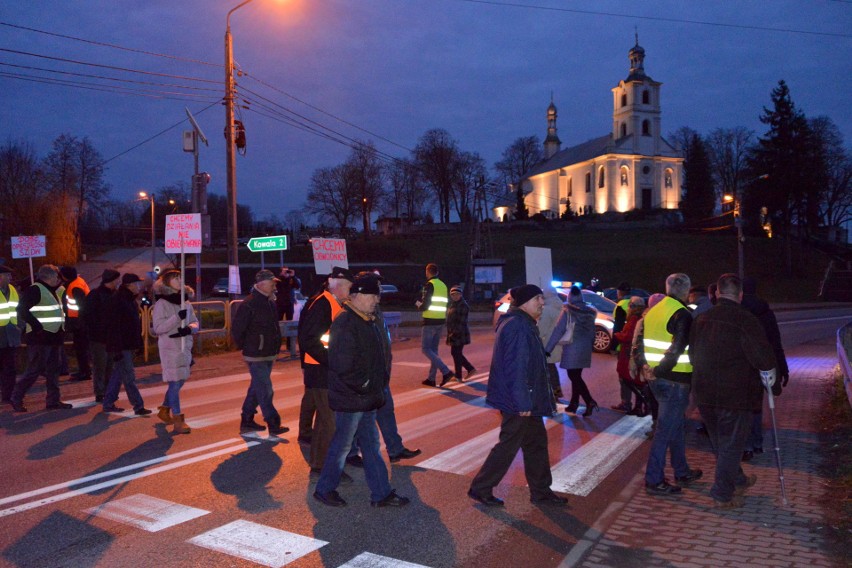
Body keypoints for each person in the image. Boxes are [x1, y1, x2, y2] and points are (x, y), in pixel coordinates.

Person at [314, 272, 411, 508]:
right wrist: (367, 385)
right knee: (343, 445)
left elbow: (379, 356)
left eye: (377, 296)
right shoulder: (346, 323)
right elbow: (343, 365)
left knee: (370, 445)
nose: (376, 300)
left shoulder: (368, 319)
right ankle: (324, 489)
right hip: (352, 397)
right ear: (356, 296)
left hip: (367, 397)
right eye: (372, 295)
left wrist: (377, 384)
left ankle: (381, 494)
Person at [468, 284, 567, 508]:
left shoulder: (523, 323)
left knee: (536, 444)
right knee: (509, 445)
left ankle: (541, 492)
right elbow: (516, 367)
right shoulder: (518, 327)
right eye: (537, 299)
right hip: (520, 400)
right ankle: (481, 488)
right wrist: (523, 401)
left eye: (542, 299)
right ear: (523, 302)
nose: (542, 304)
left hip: (526, 398)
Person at [690, 273, 777, 509]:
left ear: (717, 293)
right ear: (739, 295)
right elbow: (762, 356)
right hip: (736, 395)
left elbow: (692, 355)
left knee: (721, 442)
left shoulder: (701, 319)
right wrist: (773, 382)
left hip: (705, 393)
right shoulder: (746, 320)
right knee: (731, 445)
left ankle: (738, 479)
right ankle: (721, 493)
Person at [346, 272, 422, 467]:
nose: (378, 293)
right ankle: (351, 453)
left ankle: (395, 449)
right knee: (360, 419)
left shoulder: (375, 309)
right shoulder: (356, 312)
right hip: (368, 377)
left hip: (381, 372)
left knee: (386, 410)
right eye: (375, 289)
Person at [639, 273, 702, 496]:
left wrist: (646, 367)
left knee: (675, 427)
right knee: (665, 430)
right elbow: (676, 350)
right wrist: (658, 370)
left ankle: (682, 471)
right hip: (674, 380)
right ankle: (654, 480)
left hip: (658, 380)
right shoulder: (682, 314)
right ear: (686, 291)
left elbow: (641, 342)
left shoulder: (654, 310)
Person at [297, 266, 355, 478]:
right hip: (321, 371)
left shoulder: (332, 302)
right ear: (339, 287)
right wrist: (333, 361)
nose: (352, 293)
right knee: (331, 424)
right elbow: (309, 340)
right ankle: (329, 469)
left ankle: (320, 466)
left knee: (324, 423)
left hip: (323, 370)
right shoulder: (323, 304)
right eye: (350, 288)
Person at [231, 269, 288, 435]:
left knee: (257, 388)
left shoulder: (269, 301)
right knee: (266, 389)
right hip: (255, 354)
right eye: (272, 283)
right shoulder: (249, 303)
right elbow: (237, 329)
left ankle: (247, 419)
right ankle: (273, 422)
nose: (274, 286)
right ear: (261, 284)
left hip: (268, 352)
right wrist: (248, 346)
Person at [10, 264, 72, 412]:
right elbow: (22, 309)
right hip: (40, 338)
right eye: (57, 276)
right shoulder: (36, 289)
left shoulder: (52, 290)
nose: (58, 279)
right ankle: (16, 397)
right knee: (34, 370)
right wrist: (36, 326)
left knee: (53, 370)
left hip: (54, 337)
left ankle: (53, 401)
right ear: (49, 276)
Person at [740, 277, 789, 461]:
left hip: (742, 364)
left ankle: (746, 446)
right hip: (763, 364)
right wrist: (783, 368)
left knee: (742, 405)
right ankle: (757, 442)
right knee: (756, 404)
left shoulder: (738, 311)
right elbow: (776, 342)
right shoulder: (765, 311)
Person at [151, 270, 198, 434]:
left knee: (179, 381)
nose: (179, 280)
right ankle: (178, 420)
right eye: (174, 278)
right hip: (170, 349)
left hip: (185, 346)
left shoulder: (186, 302)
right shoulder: (161, 304)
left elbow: (195, 322)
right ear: (166, 283)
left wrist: (190, 330)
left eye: (180, 277)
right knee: (175, 382)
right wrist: (177, 318)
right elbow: (158, 328)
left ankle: (164, 408)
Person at [102, 273, 151, 415]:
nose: (139, 286)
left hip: (127, 344)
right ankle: (138, 406)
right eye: (137, 284)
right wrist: (116, 349)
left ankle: (108, 402)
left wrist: (139, 344)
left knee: (118, 375)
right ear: (129, 285)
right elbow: (114, 327)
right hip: (121, 345)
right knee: (129, 377)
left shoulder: (130, 300)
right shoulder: (118, 301)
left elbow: (134, 325)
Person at [544, 286, 598, 416]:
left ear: (570, 297)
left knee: (574, 376)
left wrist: (548, 349)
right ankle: (574, 404)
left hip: (572, 347)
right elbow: (592, 333)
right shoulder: (590, 313)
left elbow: (558, 331)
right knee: (576, 376)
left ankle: (589, 401)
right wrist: (589, 346)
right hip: (584, 347)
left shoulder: (568, 311)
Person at [416, 263, 455, 387]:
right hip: (440, 320)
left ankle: (446, 372)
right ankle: (431, 379)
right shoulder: (443, 285)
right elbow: (446, 302)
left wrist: (418, 305)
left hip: (430, 320)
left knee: (426, 349)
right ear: (437, 272)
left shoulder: (429, 285)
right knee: (434, 350)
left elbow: (426, 304)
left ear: (428, 272)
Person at [86, 269, 120, 403]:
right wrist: (94, 331)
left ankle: (109, 391)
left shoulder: (115, 295)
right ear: (110, 280)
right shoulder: (95, 295)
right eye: (116, 279)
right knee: (100, 365)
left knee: (110, 366)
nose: (118, 282)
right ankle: (100, 392)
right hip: (98, 338)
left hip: (112, 337)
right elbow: (88, 315)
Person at [614, 296, 648, 415]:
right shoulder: (643, 317)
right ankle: (639, 405)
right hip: (637, 353)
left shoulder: (633, 319)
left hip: (628, 354)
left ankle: (626, 404)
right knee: (637, 380)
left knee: (626, 379)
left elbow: (628, 337)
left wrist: (618, 335)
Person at [59, 266, 92, 381]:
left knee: (81, 348)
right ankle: (84, 370)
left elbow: (82, 306)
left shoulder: (74, 286)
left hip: (79, 322)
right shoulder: (78, 282)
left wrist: (79, 322)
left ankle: (84, 372)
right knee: (81, 348)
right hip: (80, 322)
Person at [537, 286, 565, 399]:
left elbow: (541, 329)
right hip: (557, 342)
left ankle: (552, 390)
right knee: (550, 366)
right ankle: (556, 389)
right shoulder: (561, 307)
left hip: (547, 343)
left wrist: (535, 338)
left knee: (547, 367)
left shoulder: (547, 309)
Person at [611, 281, 634, 412]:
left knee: (623, 375)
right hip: (634, 344)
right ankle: (640, 402)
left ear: (619, 292)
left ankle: (626, 402)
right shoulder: (636, 303)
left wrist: (613, 346)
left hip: (623, 346)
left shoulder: (620, 306)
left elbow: (617, 327)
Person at [0, 265, 21, 404]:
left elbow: (19, 309)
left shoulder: (12, 290)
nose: (11, 278)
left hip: (11, 335)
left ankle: (9, 395)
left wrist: (20, 325)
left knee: (11, 367)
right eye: (8, 275)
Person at [446, 285, 475, 381]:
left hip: (460, 334)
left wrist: (454, 334)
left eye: (457, 294)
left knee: (456, 353)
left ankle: (459, 375)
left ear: (461, 295)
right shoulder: (453, 304)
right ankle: (468, 370)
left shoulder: (463, 305)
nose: (455, 296)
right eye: (453, 294)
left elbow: (461, 322)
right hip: (454, 332)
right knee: (456, 353)